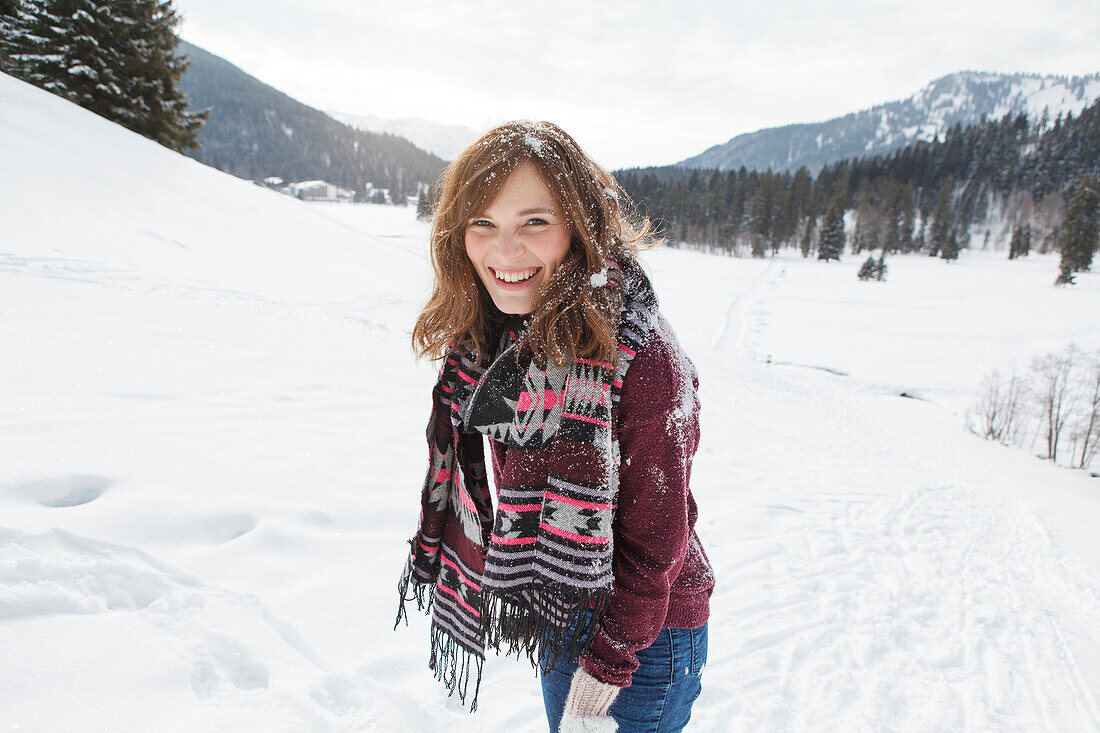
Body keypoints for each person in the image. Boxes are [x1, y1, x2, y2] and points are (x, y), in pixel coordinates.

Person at [396, 120, 715, 733]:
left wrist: (610, 663)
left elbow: (661, 535)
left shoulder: (641, 354)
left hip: (643, 635)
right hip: (562, 604)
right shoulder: (499, 338)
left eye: (534, 223)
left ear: (580, 225)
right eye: (482, 224)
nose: (504, 251)